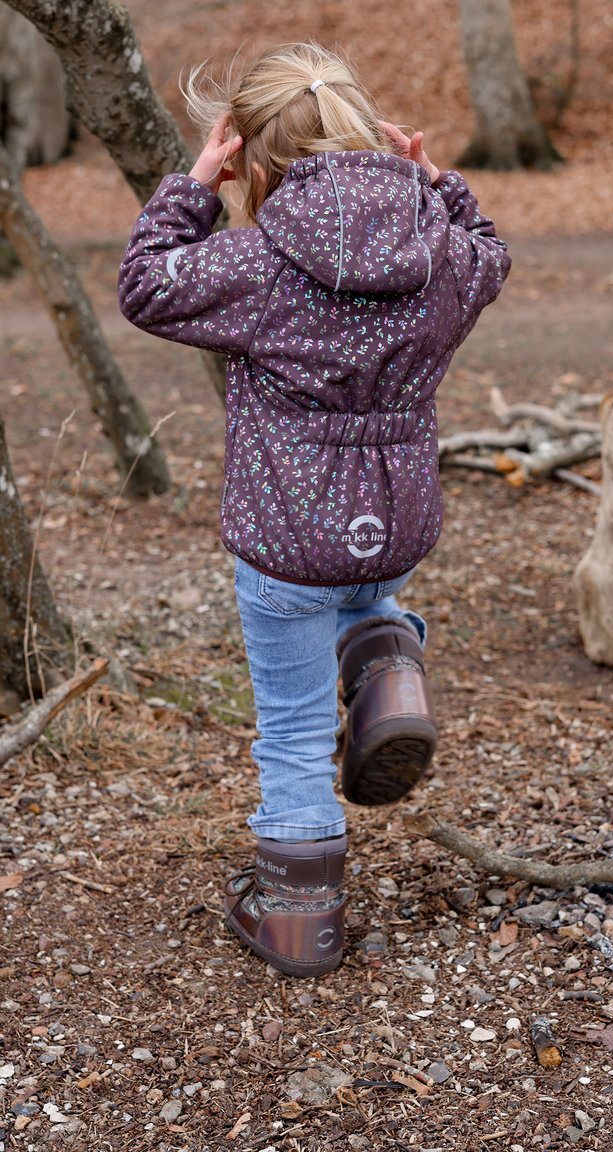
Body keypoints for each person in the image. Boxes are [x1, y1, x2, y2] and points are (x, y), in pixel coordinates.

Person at [118, 41, 511, 977]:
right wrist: (438, 185)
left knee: (293, 727)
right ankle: (384, 660)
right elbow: (494, 254)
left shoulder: (254, 266)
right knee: (368, 593)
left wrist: (192, 187)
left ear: (254, 164)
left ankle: (298, 915)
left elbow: (143, 286)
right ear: (377, 143)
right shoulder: (444, 258)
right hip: (396, 529)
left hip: (289, 540)